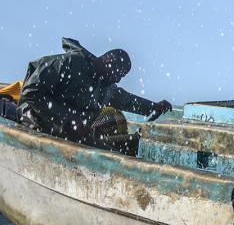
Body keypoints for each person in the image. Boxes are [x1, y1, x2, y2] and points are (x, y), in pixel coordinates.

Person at [18, 37, 171, 150]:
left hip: (71, 135)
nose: (117, 79)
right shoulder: (70, 63)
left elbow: (127, 100)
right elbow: (31, 92)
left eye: (121, 77)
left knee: (113, 152)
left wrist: (154, 107)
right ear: (108, 61)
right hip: (36, 125)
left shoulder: (106, 88)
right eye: (118, 73)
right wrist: (68, 119)